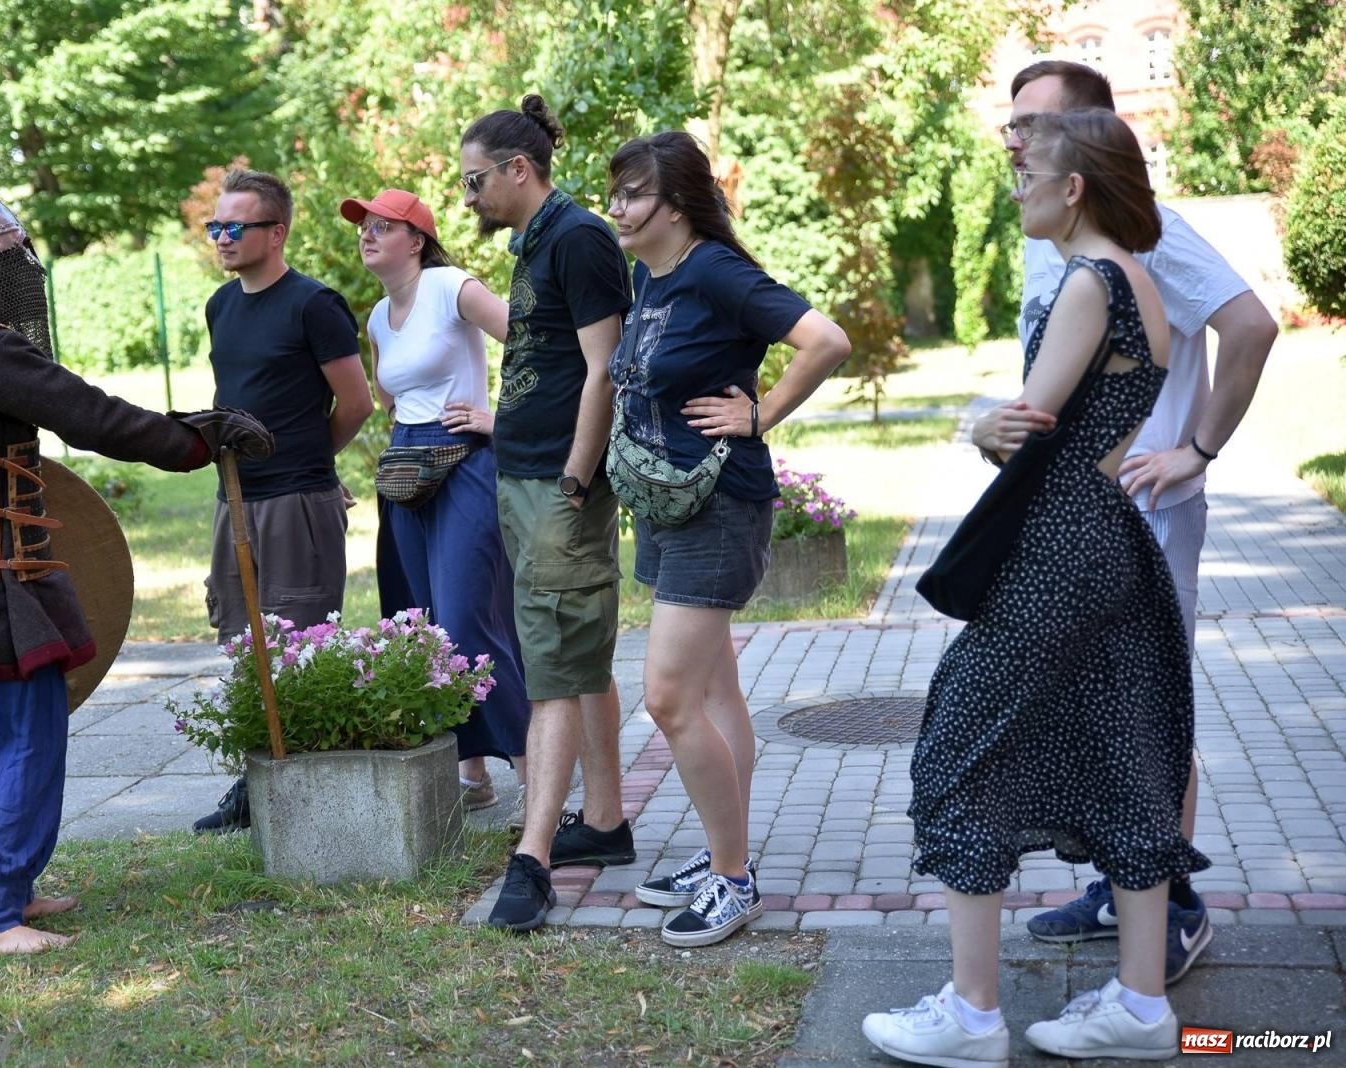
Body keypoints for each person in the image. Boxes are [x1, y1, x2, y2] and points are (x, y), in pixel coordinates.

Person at [865, 110, 1209, 1064]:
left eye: (1028, 174)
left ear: (1073, 189)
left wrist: (976, 422)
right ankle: (1142, 1008)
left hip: (1056, 551)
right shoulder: (1144, 282)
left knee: (960, 756)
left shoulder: (1089, 283)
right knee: (1126, 762)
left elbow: (1028, 424)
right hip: (1115, 547)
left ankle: (973, 1015)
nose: (1014, 187)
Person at [0, 193, 273, 956]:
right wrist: (192, 439)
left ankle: (6, 889)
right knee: (19, 735)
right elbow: (90, 415)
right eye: (14, 256)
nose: (27, 269)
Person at [980, 59, 1277, 983]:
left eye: (1035, 123)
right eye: (1011, 122)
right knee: (1104, 704)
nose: (1015, 140)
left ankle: (1173, 906)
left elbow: (1254, 325)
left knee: (1148, 705)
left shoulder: (1155, 235)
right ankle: (1125, 889)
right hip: (1076, 519)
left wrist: (1196, 448)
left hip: (1145, 512)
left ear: (1089, 142)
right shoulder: (1052, 234)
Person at [605, 132, 849, 947]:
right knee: (715, 695)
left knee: (668, 697)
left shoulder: (716, 270)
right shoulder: (652, 274)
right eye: (614, 194)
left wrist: (763, 411)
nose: (618, 210)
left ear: (676, 200)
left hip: (719, 505)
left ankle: (734, 881)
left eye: (633, 194)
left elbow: (827, 340)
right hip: (669, 505)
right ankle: (722, 858)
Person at [456, 95, 636, 932]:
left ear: (518, 170)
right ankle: (602, 823)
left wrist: (573, 477)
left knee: (553, 663)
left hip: (558, 485)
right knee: (575, 650)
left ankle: (530, 857)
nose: (469, 198)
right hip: (522, 476)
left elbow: (606, 369)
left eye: (476, 181)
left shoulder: (579, 237)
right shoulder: (536, 242)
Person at [192, 168, 375, 833]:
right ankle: (254, 784)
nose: (222, 237)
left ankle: (308, 784)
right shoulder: (221, 305)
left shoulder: (313, 305)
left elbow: (357, 402)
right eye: (217, 226)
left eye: (235, 226)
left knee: (299, 646)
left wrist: (311, 463)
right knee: (242, 643)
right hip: (233, 499)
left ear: (278, 231)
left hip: (297, 503)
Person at [339, 186, 532, 809]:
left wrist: (500, 419)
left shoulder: (452, 287)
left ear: (416, 240)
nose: (367, 234)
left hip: (466, 465)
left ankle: (537, 781)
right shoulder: (375, 316)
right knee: (418, 623)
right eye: (363, 226)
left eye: (382, 225)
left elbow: (537, 348)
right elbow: (389, 396)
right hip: (406, 473)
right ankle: (470, 774)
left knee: (467, 620)